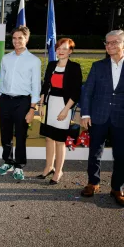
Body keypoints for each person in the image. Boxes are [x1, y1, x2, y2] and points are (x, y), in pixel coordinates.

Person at [80, 30, 124, 206]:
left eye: (114, 42)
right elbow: (88, 92)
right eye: (107, 43)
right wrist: (85, 114)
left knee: (121, 156)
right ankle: (93, 183)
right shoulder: (98, 66)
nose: (110, 45)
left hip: (121, 118)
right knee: (94, 153)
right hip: (98, 116)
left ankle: (117, 188)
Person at [0, 26, 41, 180]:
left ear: (26, 39)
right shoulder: (6, 58)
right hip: (5, 100)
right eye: (14, 38)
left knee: (21, 135)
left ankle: (19, 165)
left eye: (20, 38)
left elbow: (36, 86)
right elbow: (1, 80)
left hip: (23, 101)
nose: (16, 41)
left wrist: (32, 109)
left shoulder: (34, 61)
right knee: (5, 133)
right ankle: (8, 161)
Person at [38, 38, 82, 184]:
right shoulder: (51, 65)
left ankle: (58, 171)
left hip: (64, 106)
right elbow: (45, 86)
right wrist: (41, 104)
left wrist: (65, 110)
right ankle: (48, 167)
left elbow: (76, 92)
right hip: (50, 105)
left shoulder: (75, 67)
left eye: (64, 48)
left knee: (59, 141)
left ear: (70, 51)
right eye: (58, 48)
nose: (61, 51)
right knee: (49, 138)